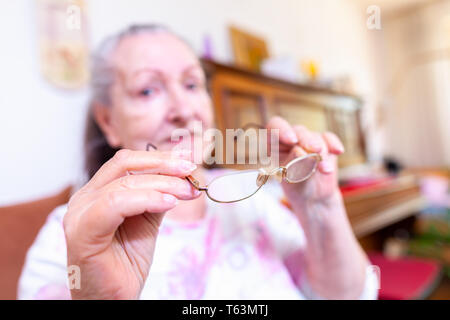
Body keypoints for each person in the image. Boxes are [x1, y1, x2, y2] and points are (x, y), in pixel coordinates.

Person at [18, 24, 378, 300]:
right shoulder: (68, 237)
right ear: (109, 121)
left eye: (192, 85)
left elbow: (343, 294)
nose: (184, 109)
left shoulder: (251, 197)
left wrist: (320, 210)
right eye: (148, 90)